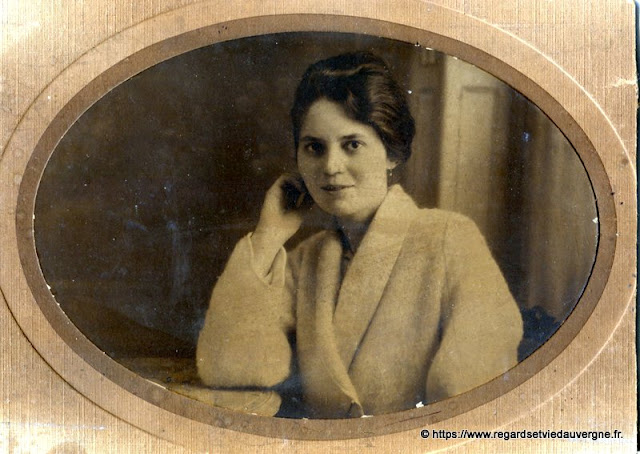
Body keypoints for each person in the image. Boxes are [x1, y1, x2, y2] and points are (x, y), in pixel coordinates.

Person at [196, 52, 523, 418]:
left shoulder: (449, 239)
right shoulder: (308, 259)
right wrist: (268, 236)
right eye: (314, 148)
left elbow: (471, 391)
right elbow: (231, 367)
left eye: (352, 144)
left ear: (391, 153)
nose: (331, 167)